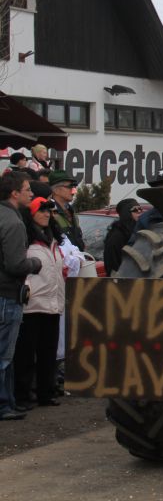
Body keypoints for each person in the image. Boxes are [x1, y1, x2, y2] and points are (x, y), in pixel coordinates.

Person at [13, 197, 64, 408]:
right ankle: (22, 396)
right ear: (31, 214)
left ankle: (46, 392)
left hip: (53, 303)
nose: (45, 214)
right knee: (26, 355)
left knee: (48, 352)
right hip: (32, 304)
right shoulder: (26, 239)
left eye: (48, 211)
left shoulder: (52, 239)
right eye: (41, 211)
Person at [0, 171, 41, 420]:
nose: (31, 193)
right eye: (27, 189)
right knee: (5, 355)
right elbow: (16, 264)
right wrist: (35, 263)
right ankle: (4, 404)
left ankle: (10, 401)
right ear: (15, 193)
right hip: (7, 294)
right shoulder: (13, 223)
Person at [103, 199, 141, 276]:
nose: (139, 212)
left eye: (140, 209)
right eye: (135, 209)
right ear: (126, 213)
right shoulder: (116, 236)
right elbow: (112, 267)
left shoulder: (135, 231)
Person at [48, 170, 84, 251]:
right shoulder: (50, 213)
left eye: (74, 187)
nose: (74, 191)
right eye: (70, 187)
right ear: (56, 190)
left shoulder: (71, 211)